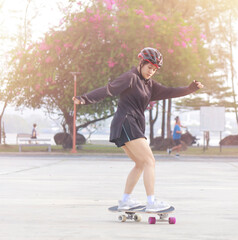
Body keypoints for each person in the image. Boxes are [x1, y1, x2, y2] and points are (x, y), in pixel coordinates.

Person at [72, 47, 203, 212]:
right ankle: (151, 202)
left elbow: (170, 91)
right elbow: (108, 90)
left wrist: (190, 89)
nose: (151, 72)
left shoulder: (149, 85)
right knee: (150, 161)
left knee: (141, 163)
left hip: (129, 125)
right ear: (141, 63)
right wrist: (84, 99)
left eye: (154, 69)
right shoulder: (130, 78)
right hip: (126, 122)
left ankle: (125, 200)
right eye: (149, 67)